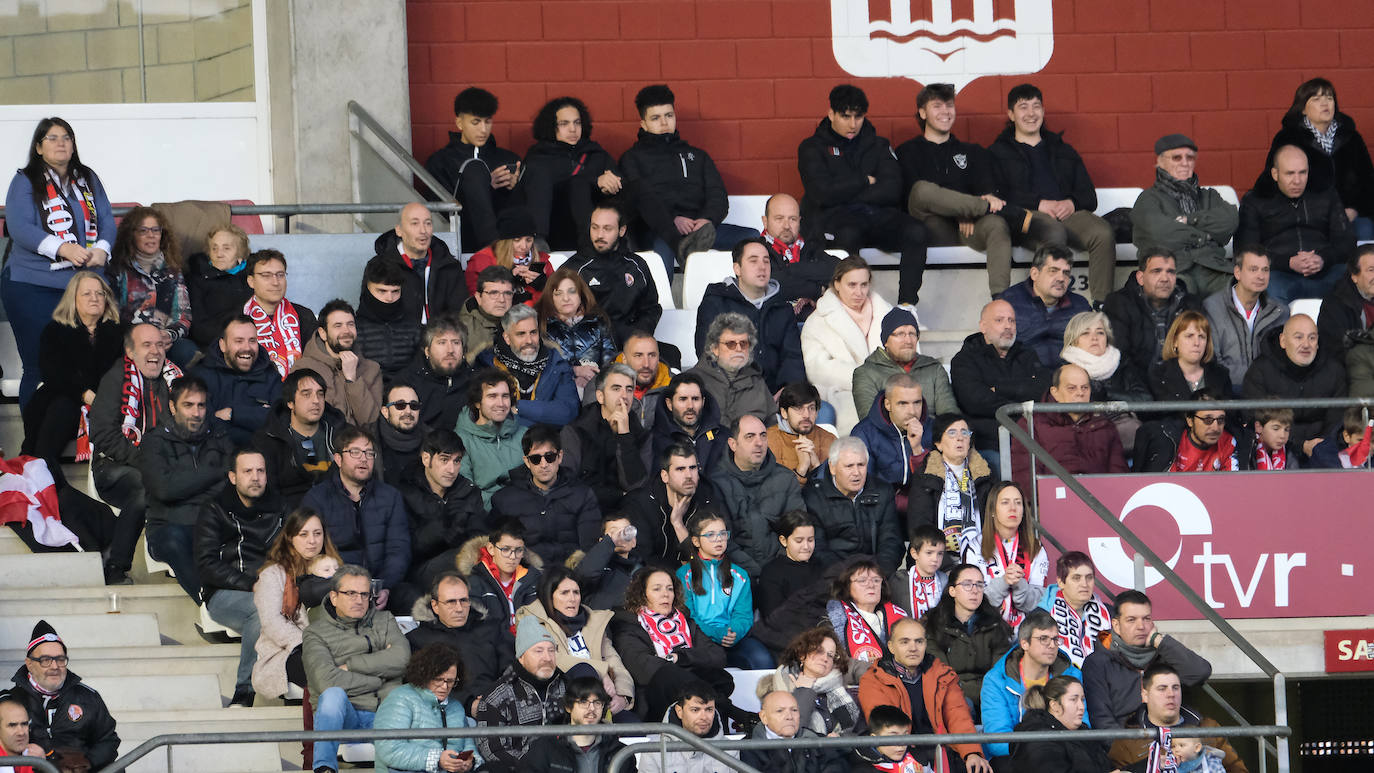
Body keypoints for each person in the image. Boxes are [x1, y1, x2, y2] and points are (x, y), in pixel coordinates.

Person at [3, 117, 114, 407]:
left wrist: (102, 248)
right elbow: (20, 228)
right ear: (39, 147)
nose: (60, 142)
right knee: (40, 364)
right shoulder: (25, 180)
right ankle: (34, 449)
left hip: (80, 286)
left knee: (86, 364)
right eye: (51, 138)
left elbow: (106, 220)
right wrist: (63, 247)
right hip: (33, 286)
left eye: (66, 137)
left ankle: (82, 441)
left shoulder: (87, 177)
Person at [898, 81, 1039, 297]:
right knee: (922, 189)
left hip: (970, 227)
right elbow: (913, 198)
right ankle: (1006, 213)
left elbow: (987, 192)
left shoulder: (973, 152)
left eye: (949, 106)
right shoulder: (907, 151)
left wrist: (969, 211)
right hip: (931, 228)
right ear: (922, 113)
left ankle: (1000, 300)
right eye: (937, 106)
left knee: (996, 223)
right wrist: (962, 211)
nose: (945, 111)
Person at [798, 84, 929, 305]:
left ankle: (906, 307)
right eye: (845, 116)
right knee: (848, 234)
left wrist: (844, 190)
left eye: (858, 117)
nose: (852, 124)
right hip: (838, 220)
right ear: (831, 114)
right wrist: (863, 181)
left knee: (916, 231)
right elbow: (821, 193)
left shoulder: (878, 145)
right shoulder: (812, 147)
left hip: (877, 217)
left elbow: (892, 189)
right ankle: (849, 305)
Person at [989, 83, 1117, 304]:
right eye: (1023, 107)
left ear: (1043, 111)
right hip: (1025, 217)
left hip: (1066, 214)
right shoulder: (997, 152)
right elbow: (998, 195)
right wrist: (1038, 203)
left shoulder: (1062, 149)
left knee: (1103, 233)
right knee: (1054, 231)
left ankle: (1101, 304)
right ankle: (1047, 304)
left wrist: (1072, 202)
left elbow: (1089, 196)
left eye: (1036, 106)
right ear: (1011, 114)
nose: (1031, 113)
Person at [620, 83, 754, 275]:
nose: (664, 123)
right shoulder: (632, 158)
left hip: (700, 231)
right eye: (656, 118)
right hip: (658, 230)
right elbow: (639, 202)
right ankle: (661, 305)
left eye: (669, 115)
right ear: (644, 124)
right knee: (663, 246)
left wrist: (706, 219)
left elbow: (718, 195)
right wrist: (672, 219)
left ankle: (749, 301)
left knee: (752, 238)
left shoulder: (697, 156)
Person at [88, 322, 176, 583]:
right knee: (144, 487)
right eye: (147, 345)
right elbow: (102, 434)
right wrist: (146, 462)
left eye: (160, 344)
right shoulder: (116, 379)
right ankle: (116, 567)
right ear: (130, 351)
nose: (155, 351)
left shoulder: (176, 380)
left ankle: (177, 559)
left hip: (165, 468)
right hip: (114, 467)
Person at [196, 447, 284, 707]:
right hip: (225, 591)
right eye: (248, 471)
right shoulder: (215, 508)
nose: (255, 477)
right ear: (233, 477)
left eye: (260, 471)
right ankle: (244, 690)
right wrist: (253, 585)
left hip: (274, 589)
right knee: (262, 610)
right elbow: (206, 564)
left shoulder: (281, 507)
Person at [303, 564, 411, 773]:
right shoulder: (315, 633)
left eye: (364, 594)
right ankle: (324, 768)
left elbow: (402, 659)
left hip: (389, 715)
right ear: (334, 597)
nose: (359, 600)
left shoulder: (384, 620)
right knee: (333, 695)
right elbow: (328, 681)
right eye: (351, 593)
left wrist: (351, 666)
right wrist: (380, 678)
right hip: (347, 718)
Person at [20, 270, 122, 480]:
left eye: (100, 293)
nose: (94, 298)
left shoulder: (119, 331)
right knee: (61, 406)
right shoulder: (55, 330)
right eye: (87, 294)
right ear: (73, 299)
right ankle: (41, 472)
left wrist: (103, 398)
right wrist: (85, 394)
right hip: (65, 397)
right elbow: (54, 373)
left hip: (109, 401)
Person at [856, 618, 992, 773]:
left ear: (926, 645)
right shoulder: (874, 679)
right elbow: (886, 729)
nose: (913, 648)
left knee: (978, 768)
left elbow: (958, 715)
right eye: (905, 642)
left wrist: (971, 753)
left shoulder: (941, 674)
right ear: (891, 647)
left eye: (919, 641)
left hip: (942, 752)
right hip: (898, 755)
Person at [141, 375, 233, 602]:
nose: (196, 413)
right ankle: (211, 600)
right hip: (170, 526)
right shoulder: (154, 441)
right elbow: (164, 490)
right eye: (188, 405)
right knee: (175, 538)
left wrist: (185, 484)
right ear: (172, 407)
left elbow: (235, 479)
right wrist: (215, 472)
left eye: (201, 405)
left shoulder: (219, 433)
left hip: (213, 521)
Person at [1252, 77, 1374, 241]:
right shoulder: (1288, 138)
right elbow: (1271, 182)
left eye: (1329, 98)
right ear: (1303, 109)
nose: (1325, 103)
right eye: (1317, 99)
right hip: (1306, 217)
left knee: (1365, 231)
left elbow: (1368, 181)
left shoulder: (1351, 138)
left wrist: (1355, 209)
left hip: (1349, 215)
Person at [302, 425, 412, 608]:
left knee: (413, 597)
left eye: (369, 453)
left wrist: (385, 586)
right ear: (338, 459)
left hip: (380, 584)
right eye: (355, 452)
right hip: (336, 586)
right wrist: (348, 587)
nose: (364, 458)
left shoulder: (390, 496)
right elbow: (310, 552)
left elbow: (398, 548)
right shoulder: (317, 498)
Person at [609, 568, 736, 723]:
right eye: (657, 589)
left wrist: (680, 658)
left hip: (688, 691)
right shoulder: (628, 623)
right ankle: (736, 714)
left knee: (721, 678)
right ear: (642, 595)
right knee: (669, 674)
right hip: (656, 698)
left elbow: (717, 656)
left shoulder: (686, 622)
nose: (666, 594)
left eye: (670, 589)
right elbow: (641, 666)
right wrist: (680, 665)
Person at [1237, 144, 1355, 304]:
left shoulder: (1326, 195)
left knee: (1356, 279)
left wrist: (1322, 258)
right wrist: (1288, 262)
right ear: (1275, 174)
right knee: (1263, 285)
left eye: (1303, 173)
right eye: (1290, 174)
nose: (1297, 180)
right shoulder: (1255, 200)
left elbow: (1347, 242)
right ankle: (1278, 330)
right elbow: (1245, 249)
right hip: (1279, 274)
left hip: (1326, 271)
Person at [1080, 589, 1214, 730]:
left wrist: (1160, 641)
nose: (1141, 626)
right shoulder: (1097, 662)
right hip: (1126, 745)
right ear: (1116, 626)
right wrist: (1134, 749)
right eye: (1131, 620)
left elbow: (1200, 672)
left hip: (1175, 744)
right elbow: (1102, 722)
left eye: (1146, 619)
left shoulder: (1165, 655)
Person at [516, 567, 635, 717]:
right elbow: (554, 658)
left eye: (576, 592)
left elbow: (614, 660)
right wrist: (601, 673)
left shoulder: (593, 620)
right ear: (549, 596)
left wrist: (623, 696)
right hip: (562, 696)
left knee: (631, 722)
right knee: (584, 669)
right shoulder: (533, 619)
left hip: (601, 697)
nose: (572, 598)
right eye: (564, 593)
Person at [1131, 135, 1241, 298]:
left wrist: (1189, 220)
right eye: (1177, 157)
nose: (1185, 163)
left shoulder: (1209, 196)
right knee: (1184, 307)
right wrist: (1205, 236)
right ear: (1160, 162)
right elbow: (1160, 234)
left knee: (1245, 293)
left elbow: (1230, 221)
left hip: (1212, 268)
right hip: (1173, 271)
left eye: (1190, 157)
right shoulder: (1148, 199)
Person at [252, 507, 342, 700]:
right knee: (323, 669)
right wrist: (310, 643)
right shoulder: (273, 574)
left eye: (318, 534)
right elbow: (272, 622)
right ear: (290, 537)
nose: (312, 540)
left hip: (336, 646)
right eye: (304, 534)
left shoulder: (336, 570)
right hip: (288, 650)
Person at [696, 237, 806, 392]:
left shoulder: (782, 307)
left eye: (766, 261)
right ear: (737, 269)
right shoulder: (716, 303)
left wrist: (787, 391)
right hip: (732, 394)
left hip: (778, 395)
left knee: (824, 411)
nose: (762, 267)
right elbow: (707, 355)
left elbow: (792, 358)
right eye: (753, 261)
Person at [8, 621, 119, 770]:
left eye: (60, 659)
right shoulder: (11, 702)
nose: (55, 666)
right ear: (29, 664)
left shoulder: (88, 697)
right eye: (45, 660)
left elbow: (108, 740)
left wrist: (86, 764)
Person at [978, 608, 1084, 763]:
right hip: (1015, 760)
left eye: (1055, 639)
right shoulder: (996, 680)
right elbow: (998, 740)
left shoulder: (1072, 676)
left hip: (1064, 755)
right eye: (1043, 639)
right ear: (1024, 643)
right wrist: (1041, 749)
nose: (1052, 645)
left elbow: (1082, 725)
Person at [802, 257, 894, 434]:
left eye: (864, 285)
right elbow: (817, 369)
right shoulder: (818, 321)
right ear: (837, 283)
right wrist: (865, 378)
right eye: (852, 285)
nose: (859, 292)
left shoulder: (887, 313)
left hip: (888, 390)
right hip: (843, 394)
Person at [519, 95, 622, 251]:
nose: (573, 129)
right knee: (577, 183)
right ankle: (538, 243)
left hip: (596, 229)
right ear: (552, 127)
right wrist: (594, 180)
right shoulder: (538, 158)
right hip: (554, 228)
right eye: (564, 124)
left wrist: (610, 183)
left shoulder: (596, 154)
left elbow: (619, 184)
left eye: (577, 122)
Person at [424, 87, 522, 250]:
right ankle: (492, 247)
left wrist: (514, 187)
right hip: (463, 238)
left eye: (488, 121)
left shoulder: (508, 159)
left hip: (510, 240)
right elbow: (440, 211)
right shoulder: (440, 161)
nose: (483, 129)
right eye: (476, 122)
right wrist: (482, 186)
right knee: (474, 170)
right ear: (459, 123)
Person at [490, 424, 600, 567]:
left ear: (560, 456)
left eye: (550, 457)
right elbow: (497, 549)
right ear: (527, 462)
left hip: (572, 575)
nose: (543, 464)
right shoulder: (505, 499)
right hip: (524, 575)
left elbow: (589, 548)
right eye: (536, 459)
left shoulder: (583, 494)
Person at [1010, 363, 1130, 494]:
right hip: (1053, 504)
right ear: (1055, 392)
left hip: (1100, 504)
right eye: (1071, 388)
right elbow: (1024, 475)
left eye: (1085, 388)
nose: (1080, 393)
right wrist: (1042, 505)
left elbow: (1119, 475)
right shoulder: (1032, 424)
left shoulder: (1104, 425)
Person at [712, 414, 807, 578]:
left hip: (780, 572)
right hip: (734, 575)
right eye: (750, 437)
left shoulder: (785, 478)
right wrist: (754, 573)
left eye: (763, 436)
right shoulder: (716, 483)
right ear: (733, 444)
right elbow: (721, 541)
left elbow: (797, 532)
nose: (759, 443)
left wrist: (774, 571)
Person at [474, 616, 575, 770]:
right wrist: (532, 766)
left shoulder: (569, 686)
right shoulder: (496, 696)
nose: (547, 658)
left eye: (551, 650)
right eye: (538, 651)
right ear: (521, 657)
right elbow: (492, 748)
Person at [1107, 664, 1248, 773]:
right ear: (1145, 695)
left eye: (1175, 688)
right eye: (1162, 688)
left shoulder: (1208, 727)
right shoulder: (1126, 741)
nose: (1171, 694)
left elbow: (1237, 769)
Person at [677, 511, 773, 669]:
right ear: (695, 541)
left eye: (723, 533)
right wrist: (715, 633)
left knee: (761, 660)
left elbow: (743, 615)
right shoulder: (684, 575)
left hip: (732, 638)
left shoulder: (740, 575)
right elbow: (687, 615)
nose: (719, 539)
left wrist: (734, 633)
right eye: (711, 535)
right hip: (698, 638)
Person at [951, 299, 1051, 450]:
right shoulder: (964, 360)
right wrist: (1023, 402)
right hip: (987, 443)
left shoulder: (1027, 354)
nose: (1008, 326)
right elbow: (975, 402)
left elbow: (1043, 389)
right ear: (983, 326)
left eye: (1012, 320)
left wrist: (999, 388)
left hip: (1032, 439)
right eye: (999, 320)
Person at [1242, 314, 1346, 457]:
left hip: (1326, 449)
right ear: (1283, 341)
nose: (1306, 344)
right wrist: (1300, 445)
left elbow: (1338, 418)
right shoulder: (1260, 370)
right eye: (1298, 337)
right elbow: (1255, 419)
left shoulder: (1334, 370)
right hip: (1275, 451)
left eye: (1312, 338)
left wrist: (1321, 445)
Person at [397, 429, 486, 594]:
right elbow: (404, 548)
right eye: (444, 460)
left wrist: (461, 536)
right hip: (419, 571)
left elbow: (480, 539)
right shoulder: (404, 493)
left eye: (457, 461)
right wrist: (443, 527)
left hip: (464, 566)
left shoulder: (468, 491)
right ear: (426, 459)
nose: (451, 469)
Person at [921, 562, 1014, 718]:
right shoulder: (933, 625)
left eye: (979, 585)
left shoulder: (995, 625)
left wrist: (987, 694)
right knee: (963, 705)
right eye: (967, 584)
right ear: (952, 591)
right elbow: (941, 676)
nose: (975, 591)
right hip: (950, 695)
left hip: (990, 695)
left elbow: (1000, 673)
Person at [407, 572, 509, 714]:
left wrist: (496, 698)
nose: (459, 608)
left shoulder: (492, 629)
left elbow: (510, 670)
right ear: (435, 605)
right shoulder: (418, 639)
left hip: (497, 707)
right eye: (451, 602)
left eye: (464, 600)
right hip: (446, 713)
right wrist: (469, 704)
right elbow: (423, 686)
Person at [106, 206, 195, 365]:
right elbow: (111, 316)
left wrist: (168, 335)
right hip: (129, 340)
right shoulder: (117, 269)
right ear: (131, 235)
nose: (151, 236)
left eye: (156, 230)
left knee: (187, 351)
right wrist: (142, 338)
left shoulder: (173, 271)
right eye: (143, 231)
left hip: (164, 339)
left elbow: (184, 316)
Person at [373, 643, 480, 773]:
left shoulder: (456, 707)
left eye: (451, 681)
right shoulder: (400, 698)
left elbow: (469, 746)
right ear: (424, 675)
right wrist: (437, 760)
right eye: (438, 680)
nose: (445, 687)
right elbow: (389, 749)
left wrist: (470, 762)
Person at [566, 203, 662, 346]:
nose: (599, 235)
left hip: (631, 343)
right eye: (595, 227)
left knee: (671, 355)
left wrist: (638, 334)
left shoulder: (637, 265)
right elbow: (561, 312)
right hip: (591, 347)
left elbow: (651, 308)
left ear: (622, 230)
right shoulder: (575, 268)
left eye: (607, 229)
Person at [804, 437, 903, 574]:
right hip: (834, 579)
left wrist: (876, 575)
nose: (856, 473)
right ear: (832, 467)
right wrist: (846, 578)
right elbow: (817, 549)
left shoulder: (883, 491)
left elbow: (892, 542)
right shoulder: (814, 497)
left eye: (861, 465)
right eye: (849, 466)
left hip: (876, 575)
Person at [561, 364, 651, 513]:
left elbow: (635, 485)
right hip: (585, 513)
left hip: (630, 515)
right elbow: (568, 486)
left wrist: (624, 436)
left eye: (629, 389)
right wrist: (617, 495)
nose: (624, 395)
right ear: (600, 396)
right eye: (616, 388)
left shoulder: (642, 434)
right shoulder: (576, 431)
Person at [1105, 249, 1206, 379]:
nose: (1165, 278)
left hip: (1181, 386)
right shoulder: (1119, 303)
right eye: (1156, 271)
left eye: (1170, 272)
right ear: (1141, 278)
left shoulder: (1191, 305)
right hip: (1137, 389)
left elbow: (1204, 355)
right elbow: (1120, 358)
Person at [364, 202, 468, 327]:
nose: (423, 230)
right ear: (399, 230)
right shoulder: (380, 266)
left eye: (428, 223)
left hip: (440, 338)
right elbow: (369, 313)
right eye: (415, 223)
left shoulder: (449, 266)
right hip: (398, 339)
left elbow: (459, 313)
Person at [477, 303, 580, 426]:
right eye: (521, 334)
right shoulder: (487, 365)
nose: (529, 341)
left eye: (533, 332)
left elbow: (567, 413)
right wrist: (545, 416)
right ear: (507, 338)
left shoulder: (556, 363)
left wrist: (518, 407)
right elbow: (489, 417)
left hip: (548, 441)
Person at [253, 368, 345, 507]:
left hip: (338, 511)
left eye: (320, 394)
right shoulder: (269, 440)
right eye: (306, 394)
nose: (316, 401)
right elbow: (270, 494)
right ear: (290, 403)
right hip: (293, 518)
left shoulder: (341, 433)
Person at [1203, 246, 1290, 391]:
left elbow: (1282, 362)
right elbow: (1213, 362)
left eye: (1265, 270)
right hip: (1226, 391)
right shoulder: (1212, 307)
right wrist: (1258, 378)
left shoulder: (1280, 311)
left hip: (1267, 393)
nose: (1260, 276)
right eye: (1253, 269)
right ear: (1237, 272)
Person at [907, 414, 993, 560]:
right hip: (937, 561)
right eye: (952, 433)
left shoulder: (985, 475)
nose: (960, 438)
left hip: (982, 559)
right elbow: (919, 527)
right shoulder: (925, 476)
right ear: (938, 443)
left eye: (965, 433)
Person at [193, 314, 284, 446]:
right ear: (223, 345)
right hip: (217, 456)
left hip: (262, 458)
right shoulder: (201, 376)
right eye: (239, 341)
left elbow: (281, 419)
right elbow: (202, 423)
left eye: (252, 340)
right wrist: (257, 416)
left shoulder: (271, 375)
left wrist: (233, 414)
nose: (247, 348)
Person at [853, 307, 957, 421]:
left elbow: (950, 417)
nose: (908, 340)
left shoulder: (933, 369)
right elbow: (871, 423)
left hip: (931, 436)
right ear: (886, 341)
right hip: (889, 437)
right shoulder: (866, 373)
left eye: (912, 334)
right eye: (900, 334)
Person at [753, 626, 861, 737]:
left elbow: (857, 730)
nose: (825, 658)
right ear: (802, 655)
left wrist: (841, 739)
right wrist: (803, 691)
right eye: (819, 651)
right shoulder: (778, 688)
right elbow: (794, 731)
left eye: (830, 655)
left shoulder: (838, 688)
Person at [622, 442, 718, 565]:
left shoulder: (707, 499)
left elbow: (708, 559)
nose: (689, 475)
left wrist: (678, 524)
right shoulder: (641, 504)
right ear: (665, 476)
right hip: (654, 579)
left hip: (693, 577)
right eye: (680, 469)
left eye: (693, 468)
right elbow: (643, 559)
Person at [968, 482, 1048, 629]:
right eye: (1005, 502)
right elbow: (972, 599)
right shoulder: (975, 547)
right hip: (986, 631)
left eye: (1018, 503)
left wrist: (1020, 584)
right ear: (992, 510)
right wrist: (1004, 581)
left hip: (1027, 636)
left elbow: (1040, 602)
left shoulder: (1036, 548)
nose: (1013, 508)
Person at [293, 299, 384, 426]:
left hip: (362, 443)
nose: (346, 331)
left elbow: (370, 421)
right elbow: (303, 419)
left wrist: (352, 380)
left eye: (350, 324)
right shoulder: (304, 368)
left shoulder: (372, 369)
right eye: (338, 325)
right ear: (323, 333)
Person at [999, 244, 1092, 366]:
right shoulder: (1008, 302)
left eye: (1066, 273)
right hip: (1023, 379)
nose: (1061, 278)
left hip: (1067, 380)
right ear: (1034, 274)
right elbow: (993, 350)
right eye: (1053, 271)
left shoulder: (1080, 306)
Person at [1010, 676, 1123, 773]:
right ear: (1054, 705)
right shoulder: (1038, 737)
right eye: (1074, 700)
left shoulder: (1084, 732)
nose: (1081, 706)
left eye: (1082, 700)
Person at [517, 676, 631, 773]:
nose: (591, 708)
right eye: (583, 702)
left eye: (597, 703)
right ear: (568, 707)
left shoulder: (618, 750)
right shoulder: (544, 748)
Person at [825, 559, 910, 683]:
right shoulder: (833, 618)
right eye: (862, 580)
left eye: (876, 580)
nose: (871, 585)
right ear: (847, 587)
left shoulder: (899, 615)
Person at [849, 373, 933, 497]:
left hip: (923, 503)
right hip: (881, 504)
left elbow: (936, 483)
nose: (912, 411)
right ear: (888, 404)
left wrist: (917, 449)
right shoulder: (864, 433)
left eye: (917, 403)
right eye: (903, 404)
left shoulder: (933, 428)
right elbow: (863, 486)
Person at [686, 312, 774, 428]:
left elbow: (773, 427)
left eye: (744, 343)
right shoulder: (691, 381)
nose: (738, 349)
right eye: (731, 344)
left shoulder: (758, 382)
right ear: (714, 349)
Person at [459, 519, 544, 636]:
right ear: (490, 549)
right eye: (506, 549)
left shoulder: (535, 580)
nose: (512, 556)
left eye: (518, 550)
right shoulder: (473, 584)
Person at [537, 268, 617, 392]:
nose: (566, 298)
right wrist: (575, 371)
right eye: (558, 293)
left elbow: (610, 363)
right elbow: (539, 367)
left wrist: (593, 380)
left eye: (572, 292)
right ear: (550, 298)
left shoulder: (598, 323)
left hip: (594, 391)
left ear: (581, 294)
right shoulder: (540, 325)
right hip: (555, 393)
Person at [455, 370, 527, 507]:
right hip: (487, 514)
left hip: (527, 509)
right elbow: (465, 492)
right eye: (492, 396)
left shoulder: (524, 434)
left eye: (505, 396)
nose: (501, 403)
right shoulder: (461, 440)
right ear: (477, 403)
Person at [759, 193, 839, 313]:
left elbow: (839, 269)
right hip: (772, 323)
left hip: (814, 322)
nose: (786, 226)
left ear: (799, 221)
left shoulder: (809, 246)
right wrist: (819, 289)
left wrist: (791, 269)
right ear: (765, 221)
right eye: (779, 219)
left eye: (793, 219)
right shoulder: (755, 248)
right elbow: (772, 284)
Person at [243, 249, 317, 378]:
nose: (276, 282)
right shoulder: (238, 318)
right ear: (251, 281)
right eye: (266, 275)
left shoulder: (304, 316)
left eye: (280, 275)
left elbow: (316, 362)